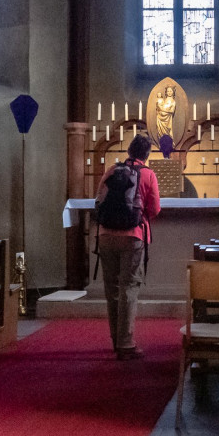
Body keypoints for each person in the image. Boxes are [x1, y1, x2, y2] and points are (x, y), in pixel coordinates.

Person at [95, 134, 161, 360]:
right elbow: (154, 209)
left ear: (129, 151)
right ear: (147, 154)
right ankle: (126, 343)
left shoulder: (112, 170)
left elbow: (99, 200)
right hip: (133, 236)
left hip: (105, 235)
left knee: (111, 288)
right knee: (129, 287)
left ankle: (116, 340)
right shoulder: (148, 174)